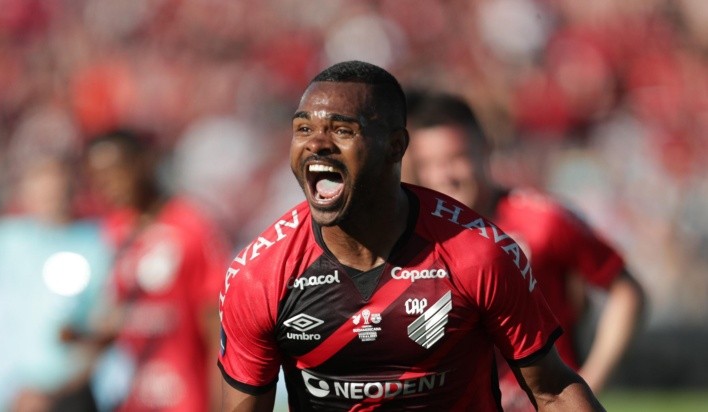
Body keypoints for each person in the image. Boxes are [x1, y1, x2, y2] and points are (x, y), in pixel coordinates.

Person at [218, 60, 605, 411]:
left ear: (396, 147)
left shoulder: (477, 253)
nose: (316, 144)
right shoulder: (259, 276)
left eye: (342, 130)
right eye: (303, 129)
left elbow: (553, 391)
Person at [403, 90, 645, 410]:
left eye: (457, 158)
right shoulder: (412, 234)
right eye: (430, 164)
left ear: (485, 149)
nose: (445, 176)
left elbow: (626, 292)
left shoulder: (542, 220)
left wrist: (591, 378)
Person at [75, 129, 231, 411]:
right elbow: (119, 317)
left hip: (185, 397)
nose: (106, 185)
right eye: (97, 178)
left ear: (143, 163)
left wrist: (219, 404)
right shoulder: (113, 231)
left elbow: (216, 325)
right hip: (132, 398)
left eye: (114, 171)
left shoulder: (191, 226)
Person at [0, 153, 111, 412]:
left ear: (72, 190)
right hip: (14, 395)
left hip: (69, 395)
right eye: (40, 193)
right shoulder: (14, 238)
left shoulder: (96, 244)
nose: (49, 200)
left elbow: (105, 330)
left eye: (56, 192)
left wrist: (57, 391)